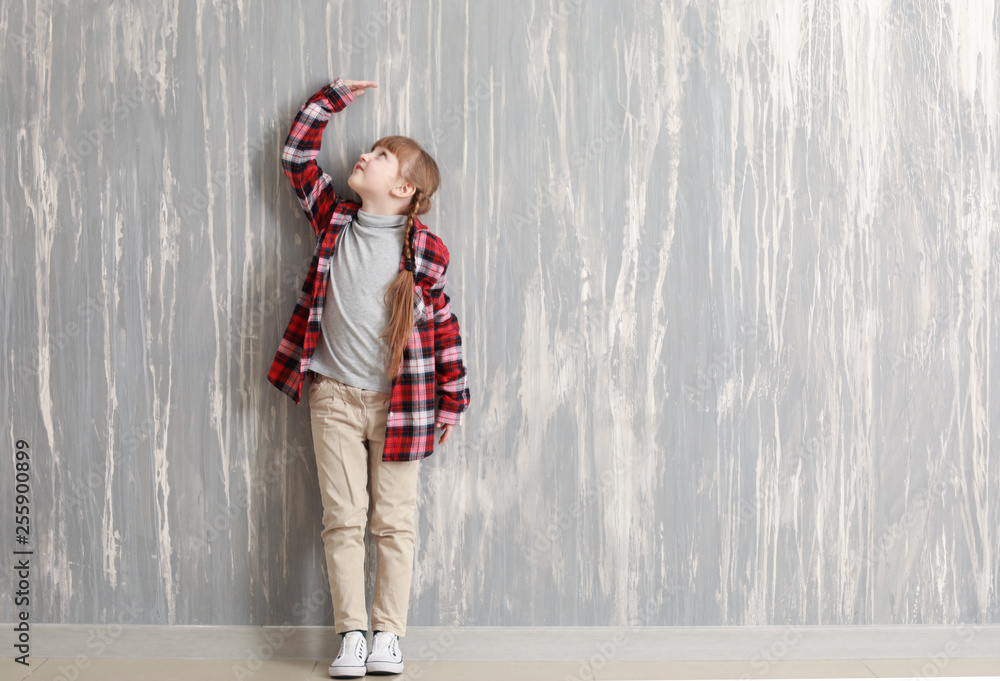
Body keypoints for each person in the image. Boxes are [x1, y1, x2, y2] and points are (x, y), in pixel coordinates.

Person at [268, 76, 471, 678]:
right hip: (332, 398)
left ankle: (389, 636)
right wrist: (330, 99)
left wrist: (451, 404)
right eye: (372, 150)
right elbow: (296, 155)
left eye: (381, 155)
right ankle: (351, 635)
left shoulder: (423, 255)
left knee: (394, 523)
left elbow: (445, 331)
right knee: (343, 519)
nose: (365, 156)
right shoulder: (334, 220)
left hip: (400, 407)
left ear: (403, 187)